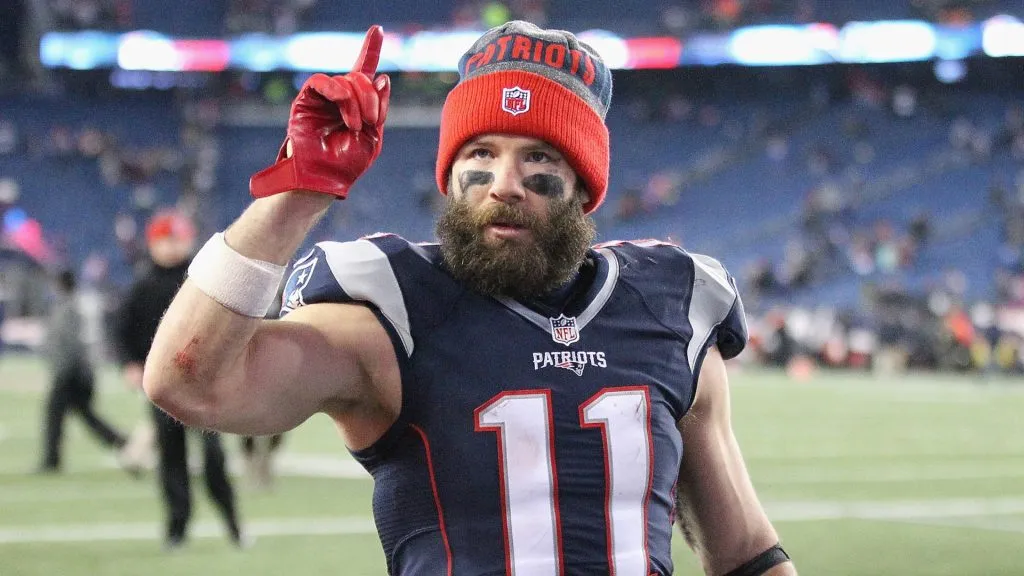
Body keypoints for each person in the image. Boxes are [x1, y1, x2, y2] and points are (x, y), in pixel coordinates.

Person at [144, 22, 796, 575]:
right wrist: (296, 195)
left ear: (584, 183)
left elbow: (743, 551)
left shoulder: (667, 307)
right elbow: (190, 382)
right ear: (451, 173)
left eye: (538, 156)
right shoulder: (390, 314)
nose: (503, 184)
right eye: (481, 152)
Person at [114, 209, 245, 550]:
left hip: (206, 384)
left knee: (214, 458)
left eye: (177, 238)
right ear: (152, 243)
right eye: (165, 239)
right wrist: (130, 363)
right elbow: (123, 330)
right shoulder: (143, 286)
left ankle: (233, 523)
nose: (172, 246)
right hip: (164, 387)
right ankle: (177, 530)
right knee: (171, 460)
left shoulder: (204, 280)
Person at [38, 270, 128, 473]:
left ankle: (51, 460)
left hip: (70, 373)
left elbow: (71, 343)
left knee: (55, 414)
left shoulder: (69, 308)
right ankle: (120, 442)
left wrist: (65, 369)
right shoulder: (73, 305)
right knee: (85, 414)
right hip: (75, 371)